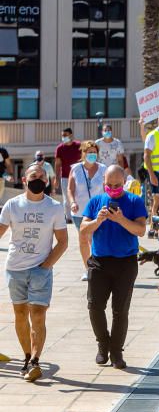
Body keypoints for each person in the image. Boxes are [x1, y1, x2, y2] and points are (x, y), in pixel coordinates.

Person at [0, 163, 68, 381]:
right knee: (20, 315)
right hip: (15, 269)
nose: (37, 179)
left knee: (38, 314)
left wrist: (46, 266)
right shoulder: (12, 205)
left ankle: (36, 361)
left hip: (40, 270)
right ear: (24, 180)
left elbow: (63, 242)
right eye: (33, 175)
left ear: (46, 182)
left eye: (41, 176)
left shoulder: (55, 207)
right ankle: (27, 357)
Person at [79, 165, 146, 369]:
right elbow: (83, 229)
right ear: (103, 183)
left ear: (124, 182)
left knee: (120, 310)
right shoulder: (95, 201)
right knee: (95, 306)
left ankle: (116, 352)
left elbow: (141, 230)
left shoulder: (134, 201)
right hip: (100, 262)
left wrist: (121, 219)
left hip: (125, 263)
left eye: (117, 185)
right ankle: (103, 345)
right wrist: (97, 220)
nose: (113, 188)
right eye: (109, 185)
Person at [68, 141, 107, 281]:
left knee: (96, 240)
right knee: (84, 240)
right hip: (80, 212)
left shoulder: (103, 169)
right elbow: (70, 188)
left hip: (98, 211)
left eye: (94, 152)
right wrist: (72, 202)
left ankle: (99, 267)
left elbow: (107, 188)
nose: (92, 155)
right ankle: (88, 269)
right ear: (83, 153)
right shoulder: (76, 169)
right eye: (89, 152)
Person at [55, 127, 82, 222]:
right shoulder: (60, 148)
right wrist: (57, 179)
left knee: (78, 195)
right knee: (66, 198)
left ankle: (78, 214)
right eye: (62, 135)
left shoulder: (79, 146)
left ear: (71, 135)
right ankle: (68, 218)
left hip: (79, 176)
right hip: (65, 177)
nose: (63, 137)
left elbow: (83, 159)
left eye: (65, 135)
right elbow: (58, 164)